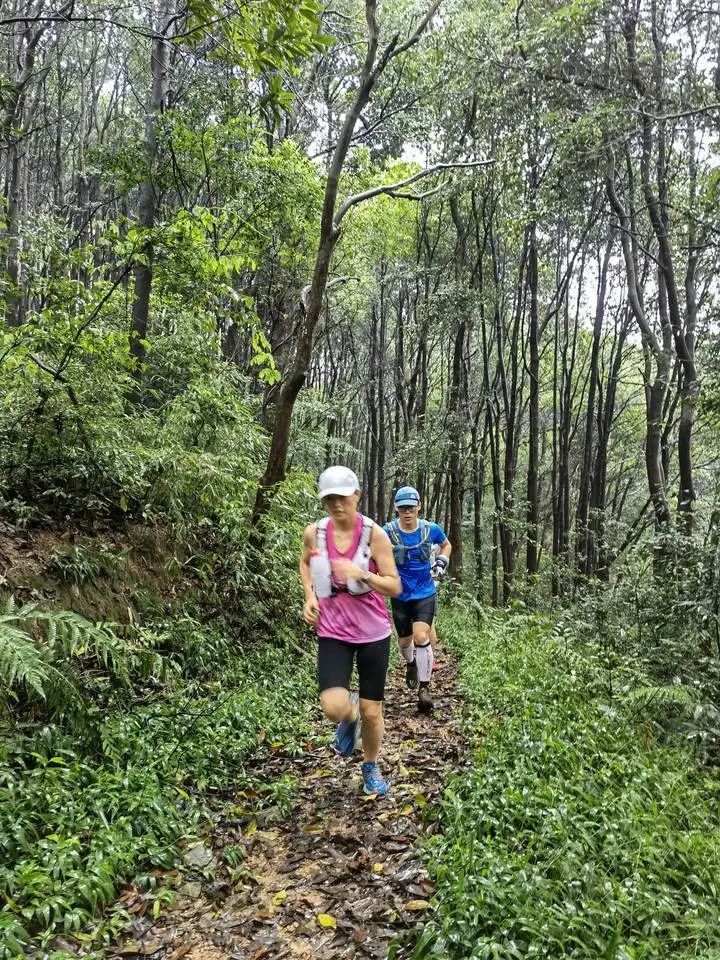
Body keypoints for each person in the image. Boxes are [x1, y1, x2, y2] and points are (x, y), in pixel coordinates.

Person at [300, 465, 401, 797]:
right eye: (329, 499)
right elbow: (305, 561)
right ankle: (350, 713)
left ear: (357, 495)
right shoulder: (314, 533)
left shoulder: (375, 535)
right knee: (333, 707)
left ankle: (370, 765)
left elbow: (394, 586)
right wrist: (310, 596)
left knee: (374, 713)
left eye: (342, 497)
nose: (336, 505)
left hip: (373, 632)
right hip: (332, 629)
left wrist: (363, 574)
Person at [384, 486, 451, 713]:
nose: (407, 511)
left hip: (425, 591)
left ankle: (424, 689)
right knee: (404, 642)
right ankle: (410, 664)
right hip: (400, 594)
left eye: (411, 507)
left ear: (419, 506)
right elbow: (373, 550)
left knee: (422, 635)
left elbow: (446, 544)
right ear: (396, 509)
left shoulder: (430, 529)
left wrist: (442, 562)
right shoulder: (388, 532)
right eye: (403, 507)